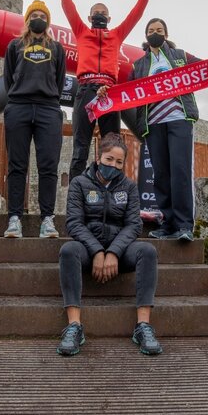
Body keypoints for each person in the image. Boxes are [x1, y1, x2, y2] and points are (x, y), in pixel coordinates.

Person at [57, 132, 162, 356]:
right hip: (87, 250)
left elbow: (134, 225)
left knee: (148, 251)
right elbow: (74, 223)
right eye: (109, 160)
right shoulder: (79, 183)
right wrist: (96, 251)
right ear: (99, 158)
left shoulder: (130, 187)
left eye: (119, 162)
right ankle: (74, 326)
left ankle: (143, 327)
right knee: (67, 250)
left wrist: (113, 252)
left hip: (120, 251)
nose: (113, 165)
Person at [59, 0, 155, 177]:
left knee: (113, 148)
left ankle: (112, 197)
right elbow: (67, 4)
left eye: (103, 13)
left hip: (111, 93)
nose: (99, 15)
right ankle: (76, 201)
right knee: (80, 148)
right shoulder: (81, 31)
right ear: (89, 17)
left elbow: (137, 13)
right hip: (85, 90)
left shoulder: (117, 35)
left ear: (109, 19)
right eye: (96, 13)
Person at [130, 18, 201, 242]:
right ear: (146, 36)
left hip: (179, 118)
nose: (155, 33)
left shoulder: (180, 56)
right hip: (154, 122)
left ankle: (184, 225)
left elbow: (207, 68)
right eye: (151, 31)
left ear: (166, 34)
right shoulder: (140, 65)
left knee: (180, 171)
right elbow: (127, 91)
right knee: (161, 174)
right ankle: (167, 223)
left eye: (159, 30)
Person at [2, 0, 67, 239]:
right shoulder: (14, 46)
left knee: (48, 166)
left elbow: (59, 81)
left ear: (47, 21)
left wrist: (47, 97)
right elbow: (9, 79)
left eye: (42, 15)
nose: (38, 18)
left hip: (48, 108)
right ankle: (14, 218)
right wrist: (18, 98)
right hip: (18, 106)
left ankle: (47, 220)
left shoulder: (57, 48)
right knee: (17, 165)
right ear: (27, 20)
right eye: (34, 14)